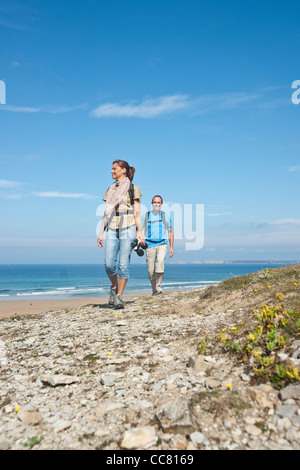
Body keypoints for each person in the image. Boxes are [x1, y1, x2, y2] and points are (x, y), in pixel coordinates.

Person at [97, 160, 144, 309]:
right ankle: (115, 286)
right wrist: (100, 232)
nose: (111, 171)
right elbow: (106, 212)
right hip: (111, 227)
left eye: (114, 169)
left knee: (123, 265)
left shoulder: (133, 188)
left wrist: (139, 232)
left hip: (128, 227)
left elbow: (137, 212)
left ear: (123, 170)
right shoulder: (109, 189)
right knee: (109, 265)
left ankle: (119, 297)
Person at [143, 195, 174, 295]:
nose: (156, 204)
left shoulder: (166, 216)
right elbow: (139, 229)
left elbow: (170, 231)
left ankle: (159, 286)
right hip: (149, 244)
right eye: (155, 202)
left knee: (160, 262)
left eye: (158, 202)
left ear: (161, 204)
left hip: (162, 243)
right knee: (151, 270)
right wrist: (140, 240)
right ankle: (154, 290)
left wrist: (172, 247)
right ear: (152, 204)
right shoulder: (146, 215)